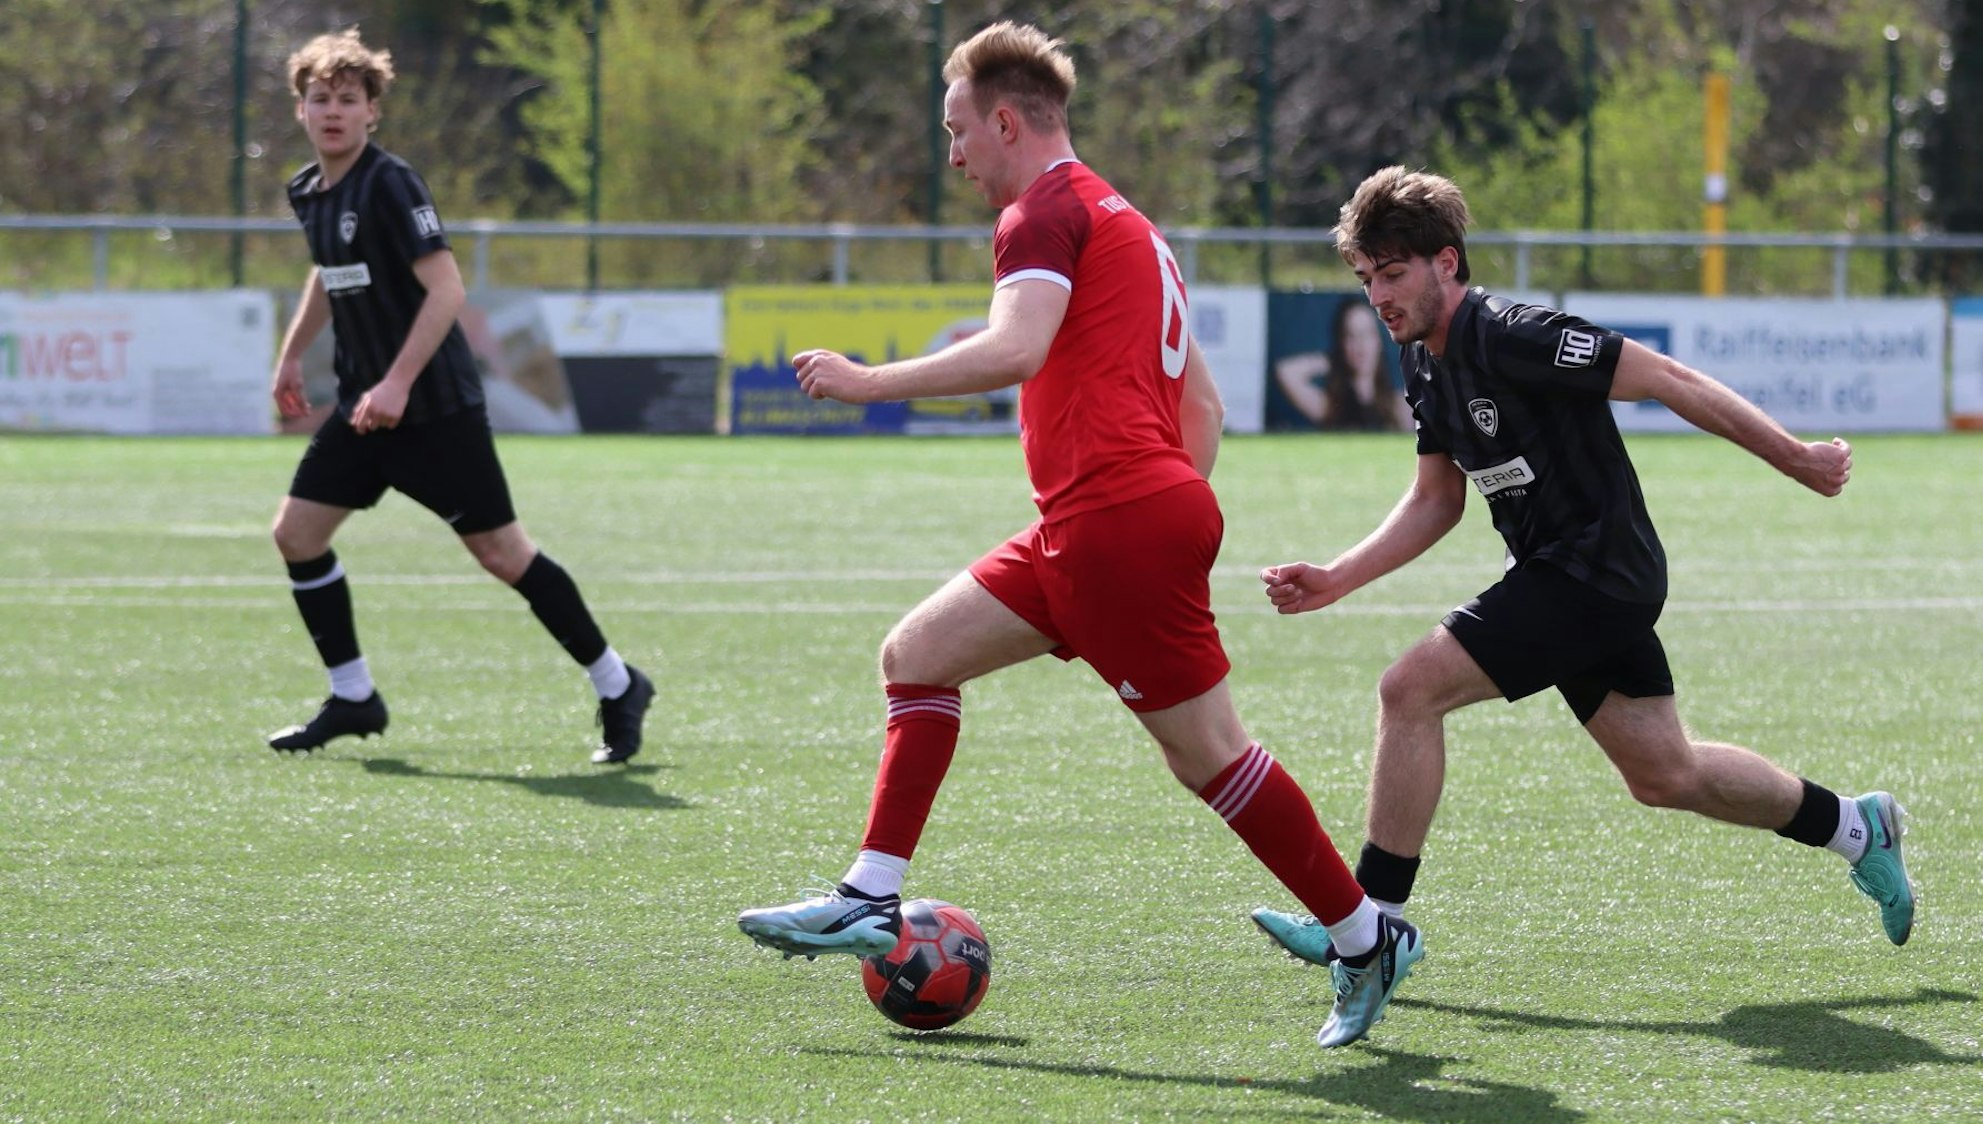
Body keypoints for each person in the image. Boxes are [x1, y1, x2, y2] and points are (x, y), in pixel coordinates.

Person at [735, 21, 1416, 1049]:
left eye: (958, 129)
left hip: (1113, 522)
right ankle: (869, 894)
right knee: (915, 653)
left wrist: (870, 382)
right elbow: (1207, 409)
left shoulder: (1041, 208)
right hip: (1100, 520)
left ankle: (1365, 936)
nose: (953, 152)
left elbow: (1015, 348)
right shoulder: (1128, 222)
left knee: (1210, 758)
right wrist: (1161, 505)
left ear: (1006, 120)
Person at [1249, 165, 1915, 977]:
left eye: (1393, 275)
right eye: (1366, 280)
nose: (1378, 296)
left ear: (1446, 263)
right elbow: (1436, 500)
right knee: (1665, 774)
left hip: (1594, 570)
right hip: (1566, 575)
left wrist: (1797, 457)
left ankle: (1372, 926)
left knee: (1408, 690)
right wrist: (1337, 578)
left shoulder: (1516, 333)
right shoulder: (1422, 360)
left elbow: (1668, 378)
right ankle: (1856, 827)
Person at [264, 29, 655, 764]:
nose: (334, 112)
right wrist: (291, 357)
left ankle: (617, 683)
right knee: (296, 535)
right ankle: (353, 696)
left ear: (373, 111)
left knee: (503, 554)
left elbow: (447, 289)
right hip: (362, 410)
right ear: (301, 110)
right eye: (320, 99)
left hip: (433, 410)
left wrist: (398, 382)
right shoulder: (307, 190)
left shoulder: (391, 182)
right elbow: (327, 270)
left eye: (349, 99)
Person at [1273, 297, 1412, 431]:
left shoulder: (1400, 406)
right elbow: (1285, 371)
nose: (1360, 344)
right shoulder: (1328, 407)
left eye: (1367, 334)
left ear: (1378, 341)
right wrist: (1333, 360)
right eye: (1351, 335)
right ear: (1341, 343)